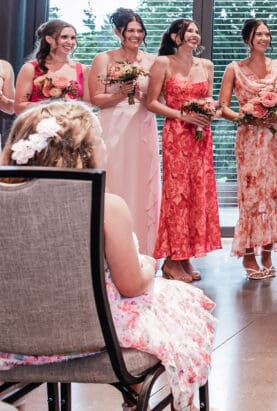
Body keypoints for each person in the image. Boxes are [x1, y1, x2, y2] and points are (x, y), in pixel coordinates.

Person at [0, 102, 216, 411]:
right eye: (101, 138)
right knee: (186, 301)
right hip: (94, 339)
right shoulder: (106, 207)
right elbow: (130, 285)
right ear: (85, 152)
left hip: (10, 341)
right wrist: (149, 264)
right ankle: (149, 393)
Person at [219, 19, 277, 280]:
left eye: (266, 34)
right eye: (258, 34)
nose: (264, 38)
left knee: (274, 194)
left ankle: (268, 253)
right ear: (248, 39)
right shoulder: (234, 69)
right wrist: (246, 117)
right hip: (250, 139)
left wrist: (274, 115)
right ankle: (249, 254)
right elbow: (224, 106)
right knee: (252, 196)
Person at [145, 19, 222, 283]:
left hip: (201, 135)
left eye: (197, 31)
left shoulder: (207, 66)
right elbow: (151, 102)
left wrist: (209, 113)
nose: (195, 35)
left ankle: (185, 254)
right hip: (177, 134)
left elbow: (210, 99)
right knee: (177, 195)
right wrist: (183, 116)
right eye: (189, 31)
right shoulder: (163, 63)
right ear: (176, 37)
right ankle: (171, 260)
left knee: (197, 193)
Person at [87, 8, 161, 255]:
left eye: (140, 30)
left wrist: (142, 95)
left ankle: (143, 250)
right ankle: (111, 249)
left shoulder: (152, 61)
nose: (136, 35)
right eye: (131, 30)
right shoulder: (103, 59)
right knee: (116, 179)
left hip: (142, 124)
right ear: (118, 32)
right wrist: (121, 93)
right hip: (113, 125)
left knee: (142, 183)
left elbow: (157, 98)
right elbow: (95, 98)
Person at [14, 19, 89, 113]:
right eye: (64, 37)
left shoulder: (83, 70)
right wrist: (50, 104)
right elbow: (18, 107)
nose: (70, 42)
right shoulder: (30, 68)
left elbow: (88, 106)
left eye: (73, 38)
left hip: (72, 124)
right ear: (49, 39)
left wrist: (70, 104)